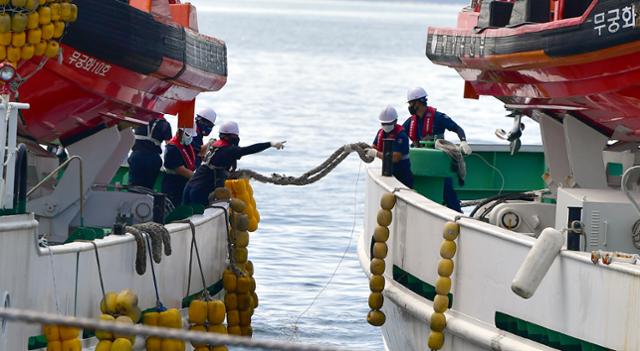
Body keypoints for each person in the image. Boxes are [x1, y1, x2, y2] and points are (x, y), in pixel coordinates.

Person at [182, 121, 286, 206]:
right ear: (232, 136)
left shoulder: (215, 146)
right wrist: (270, 144)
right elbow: (249, 149)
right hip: (200, 191)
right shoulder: (229, 150)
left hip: (189, 187)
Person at [402, 87, 470, 212]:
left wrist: (463, 141)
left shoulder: (438, 117)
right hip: (420, 164)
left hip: (439, 164)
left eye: (412, 103)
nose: (410, 106)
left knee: (449, 194)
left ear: (419, 102)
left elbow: (457, 128)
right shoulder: (411, 122)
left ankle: (458, 217)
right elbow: (400, 134)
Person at [366, 105, 413, 188]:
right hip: (388, 172)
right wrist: (366, 150)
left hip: (402, 177)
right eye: (383, 123)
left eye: (388, 123)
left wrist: (376, 154)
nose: (385, 126)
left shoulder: (401, 136)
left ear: (395, 121)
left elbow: (395, 157)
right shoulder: (381, 132)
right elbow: (374, 146)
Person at [128, 116, 172, 189]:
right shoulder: (165, 124)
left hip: (137, 157)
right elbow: (169, 145)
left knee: (133, 187)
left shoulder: (140, 118)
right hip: (154, 159)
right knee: (148, 189)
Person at [162, 128, 197, 206]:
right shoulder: (172, 148)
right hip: (173, 185)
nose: (190, 138)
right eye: (188, 135)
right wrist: (199, 178)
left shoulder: (185, 146)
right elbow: (180, 170)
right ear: (180, 133)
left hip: (182, 184)